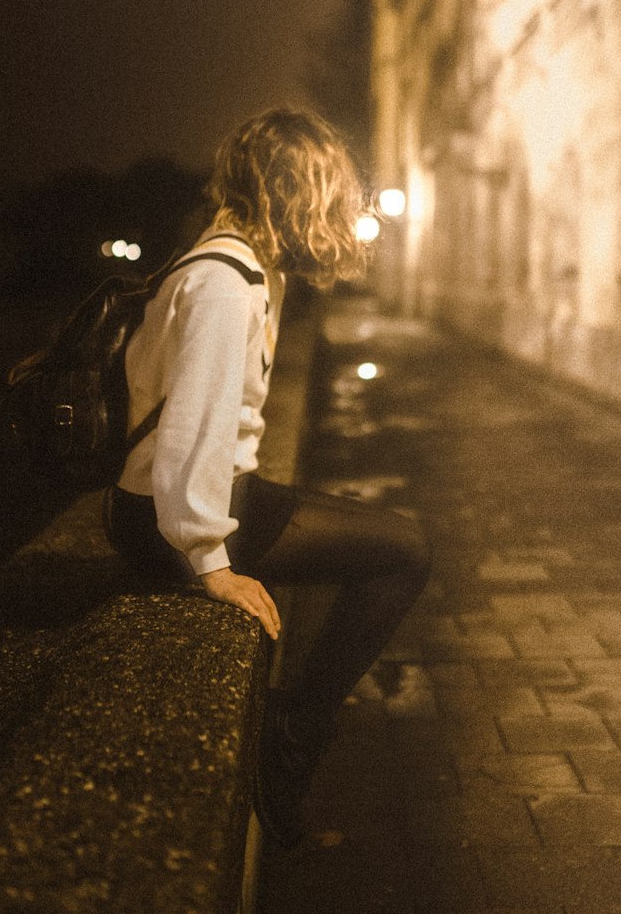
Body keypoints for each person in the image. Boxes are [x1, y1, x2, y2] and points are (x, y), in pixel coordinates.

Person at [103, 107, 430, 848]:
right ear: (293, 194)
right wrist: (208, 563)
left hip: (198, 497)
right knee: (403, 553)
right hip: (174, 513)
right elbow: (192, 433)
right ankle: (294, 735)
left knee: (397, 542)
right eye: (329, 194)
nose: (340, 213)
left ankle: (294, 729)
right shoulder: (224, 285)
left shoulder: (241, 264)